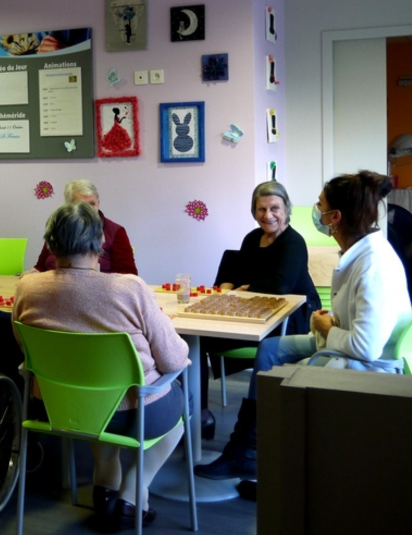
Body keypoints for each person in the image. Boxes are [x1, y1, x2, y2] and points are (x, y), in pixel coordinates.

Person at [195, 170, 412, 501]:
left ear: (334, 218)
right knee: (269, 350)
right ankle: (247, 451)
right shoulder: (360, 253)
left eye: (320, 205)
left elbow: (366, 347)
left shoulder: (373, 267)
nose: (315, 211)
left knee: (282, 369)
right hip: (338, 343)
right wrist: (333, 322)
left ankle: (269, 458)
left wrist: (328, 328)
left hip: (365, 366)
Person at [13, 201, 190, 529]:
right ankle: (131, 495)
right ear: (99, 242)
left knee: (97, 397)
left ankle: (104, 491)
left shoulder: (27, 288)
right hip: (133, 412)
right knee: (181, 410)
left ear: (50, 243)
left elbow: (26, 347)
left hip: (61, 408)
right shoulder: (129, 288)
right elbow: (175, 359)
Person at [200, 181, 321, 439]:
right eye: (261, 209)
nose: (268, 215)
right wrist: (231, 284)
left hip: (294, 314)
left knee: (264, 341)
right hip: (255, 311)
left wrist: (244, 288)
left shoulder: (293, 242)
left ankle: (256, 426)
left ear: (286, 210)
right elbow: (238, 271)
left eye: (274, 208)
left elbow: (282, 284)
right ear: (254, 211)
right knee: (197, 340)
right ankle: (200, 414)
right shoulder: (252, 238)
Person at [28, 178, 137, 275]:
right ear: (68, 206)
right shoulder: (58, 228)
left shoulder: (115, 232)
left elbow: (129, 277)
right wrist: (35, 272)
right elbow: (40, 266)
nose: (88, 211)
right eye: (81, 205)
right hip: (53, 291)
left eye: (92, 204)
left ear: (98, 203)